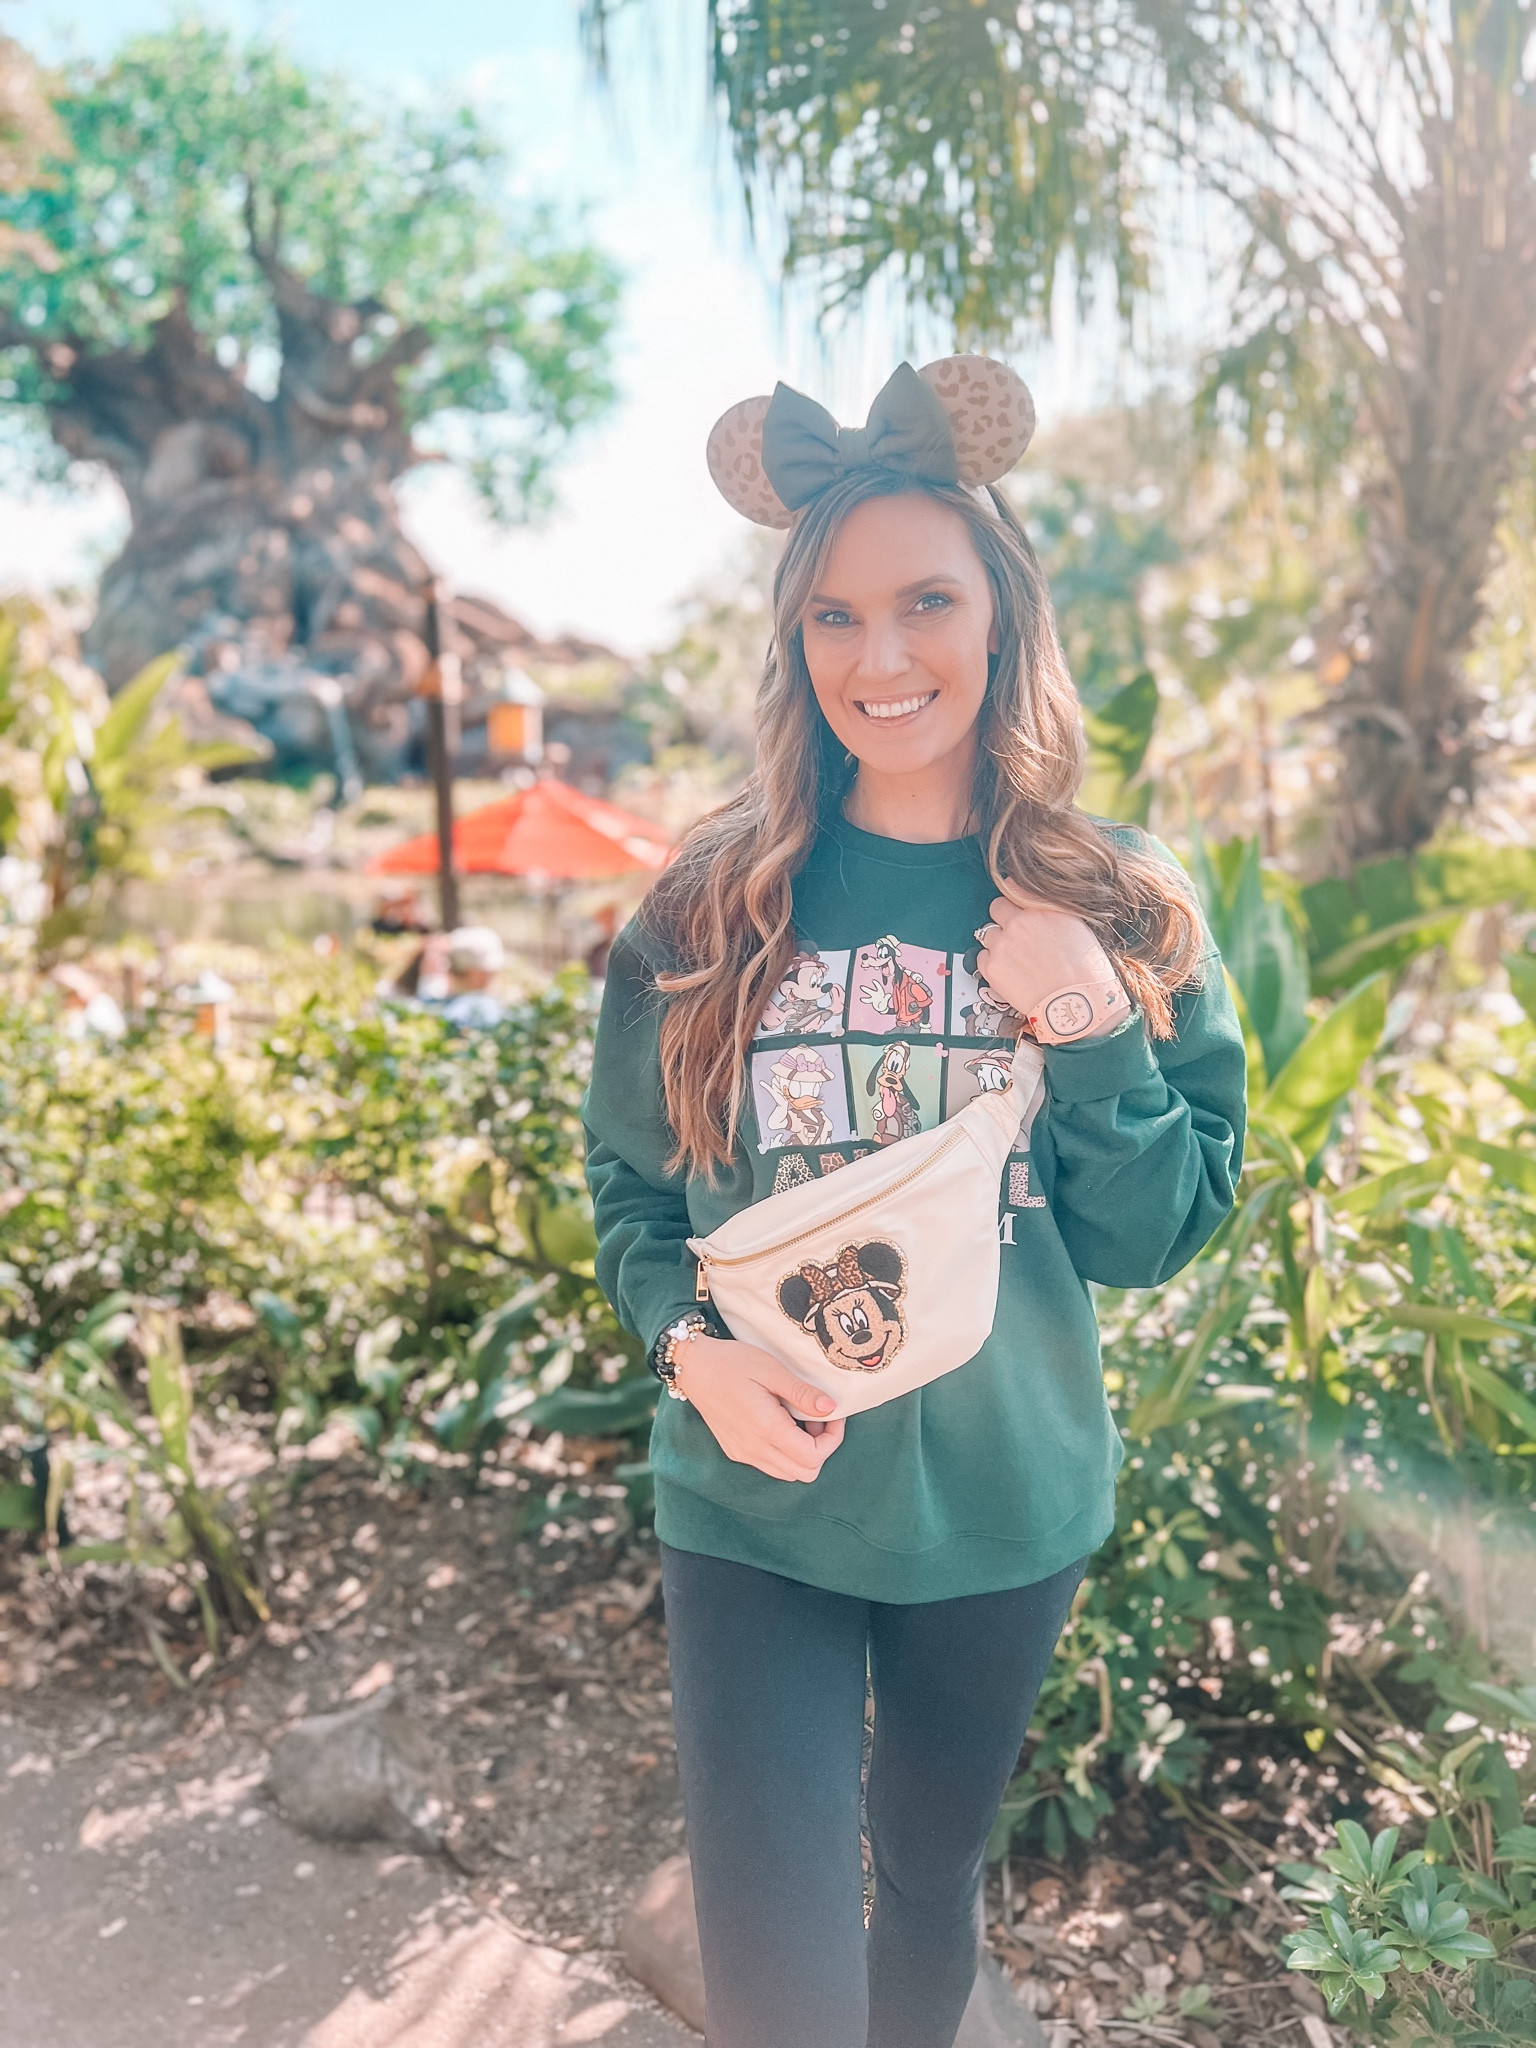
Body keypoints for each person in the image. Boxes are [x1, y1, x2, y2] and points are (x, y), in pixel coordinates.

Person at [583, 358, 1247, 2048]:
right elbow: (633, 1191)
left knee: (931, 1893)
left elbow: (1158, 1235)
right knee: (780, 1965)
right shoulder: (708, 907)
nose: (882, 659)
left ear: (1002, 613)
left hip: (1005, 1512)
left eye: (926, 602)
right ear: (793, 647)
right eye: (834, 618)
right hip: (755, 1504)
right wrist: (691, 1356)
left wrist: (1092, 1025)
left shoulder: (1122, 898)